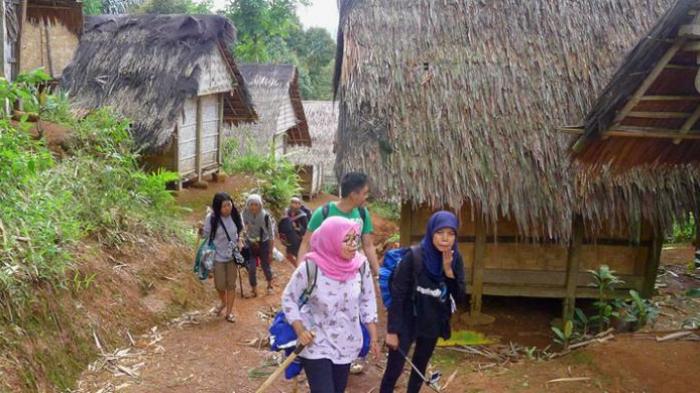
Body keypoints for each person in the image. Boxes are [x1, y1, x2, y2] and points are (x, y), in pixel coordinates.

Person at [282, 217, 380, 393]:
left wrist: (373, 336)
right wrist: (300, 330)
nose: (353, 245)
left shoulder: (360, 266)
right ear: (331, 240)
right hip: (315, 343)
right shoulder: (311, 267)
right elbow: (289, 298)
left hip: (346, 343)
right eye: (346, 239)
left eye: (355, 238)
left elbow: (367, 299)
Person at [380, 211, 467, 393]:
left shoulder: (455, 259)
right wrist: (392, 331)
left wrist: (448, 270)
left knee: (419, 368)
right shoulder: (414, 256)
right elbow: (399, 295)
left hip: (432, 322)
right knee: (394, 369)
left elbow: (459, 296)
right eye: (440, 232)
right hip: (407, 320)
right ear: (431, 232)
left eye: (451, 234)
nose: (445, 238)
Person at [298, 172, 379, 275]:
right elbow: (306, 244)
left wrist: (378, 275)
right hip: (325, 273)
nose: (366, 197)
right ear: (353, 195)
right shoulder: (323, 213)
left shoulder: (363, 214)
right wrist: (300, 273)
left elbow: (368, 246)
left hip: (352, 274)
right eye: (364, 193)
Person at [201, 192, 244, 323]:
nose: (227, 208)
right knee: (219, 285)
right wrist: (200, 230)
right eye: (224, 206)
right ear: (217, 207)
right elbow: (206, 235)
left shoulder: (235, 214)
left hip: (232, 255)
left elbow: (240, 229)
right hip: (217, 256)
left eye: (229, 205)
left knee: (231, 285)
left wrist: (240, 240)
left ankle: (229, 313)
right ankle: (223, 302)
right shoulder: (212, 218)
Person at [242, 194, 275, 297]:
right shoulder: (244, 214)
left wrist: (270, 251)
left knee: (265, 266)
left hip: (263, 243)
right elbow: (242, 228)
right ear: (248, 204)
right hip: (250, 243)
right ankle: (254, 289)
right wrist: (245, 229)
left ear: (260, 205)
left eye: (256, 204)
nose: (253, 207)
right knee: (251, 267)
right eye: (251, 204)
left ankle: (269, 285)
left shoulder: (265, 216)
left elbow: (271, 234)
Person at [279, 197, 309, 266]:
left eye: (296, 203)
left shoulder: (303, 216)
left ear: (299, 205)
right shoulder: (286, 212)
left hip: (298, 240)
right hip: (288, 238)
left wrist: (297, 228)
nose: (293, 205)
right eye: (292, 202)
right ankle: (297, 267)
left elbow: (306, 230)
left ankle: (299, 268)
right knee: (289, 256)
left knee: (297, 255)